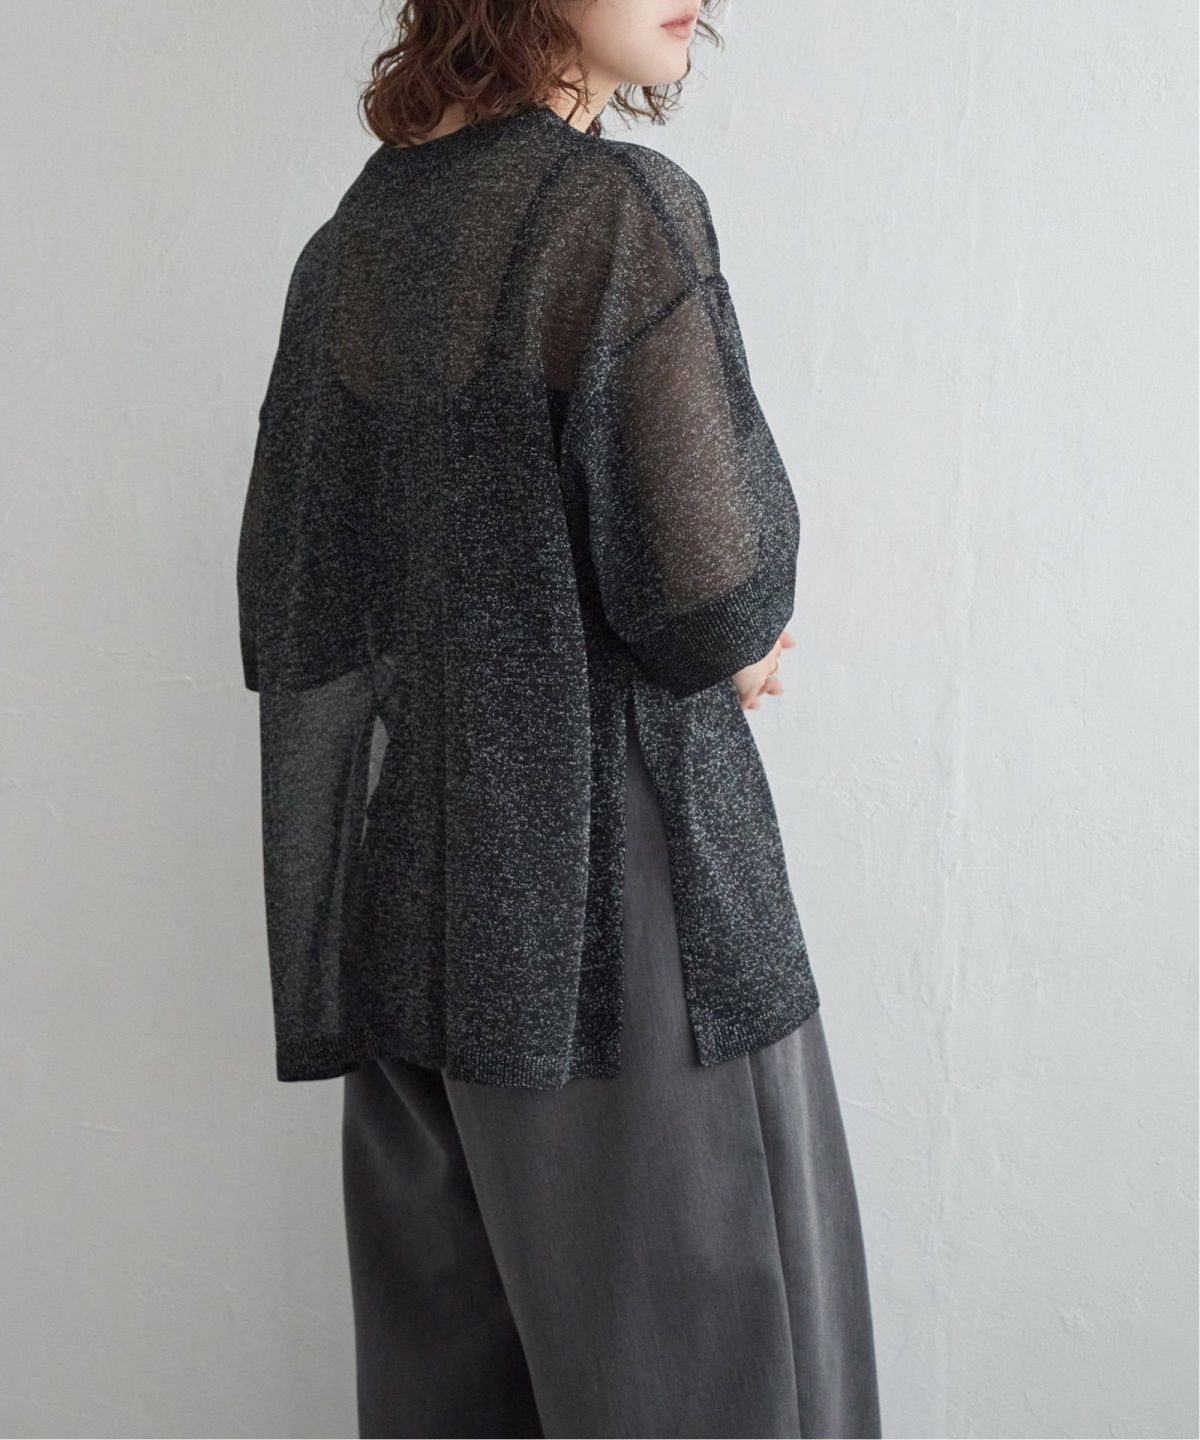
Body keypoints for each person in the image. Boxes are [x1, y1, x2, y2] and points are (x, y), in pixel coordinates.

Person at [236, 1, 882, 1435]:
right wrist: (744, 643)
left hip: (414, 912)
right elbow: (711, 593)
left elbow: (300, 600)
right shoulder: (612, 213)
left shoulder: (347, 252)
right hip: (627, 926)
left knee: (453, 1401)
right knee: (726, 1391)